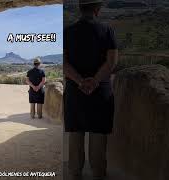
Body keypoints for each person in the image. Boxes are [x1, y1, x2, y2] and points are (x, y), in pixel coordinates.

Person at [64, 0, 118, 180]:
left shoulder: (68, 32)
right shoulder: (107, 30)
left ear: (80, 9)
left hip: (75, 90)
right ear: (97, 9)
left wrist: (80, 81)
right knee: (98, 134)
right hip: (100, 91)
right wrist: (94, 81)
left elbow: (64, 64)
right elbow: (111, 62)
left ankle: (74, 174)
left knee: (76, 134)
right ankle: (98, 174)